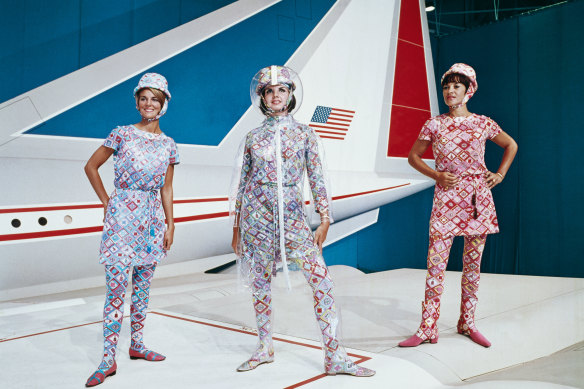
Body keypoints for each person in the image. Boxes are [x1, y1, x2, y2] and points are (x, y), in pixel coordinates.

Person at [230, 65, 375, 376]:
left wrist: (325, 218)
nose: (276, 95)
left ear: (290, 94)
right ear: (262, 97)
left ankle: (334, 356)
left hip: (295, 219)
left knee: (321, 281)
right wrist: (236, 227)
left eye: (281, 89)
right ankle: (264, 346)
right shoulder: (253, 138)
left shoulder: (305, 133)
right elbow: (241, 183)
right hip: (257, 219)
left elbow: (317, 177)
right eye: (269, 91)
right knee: (260, 283)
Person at [399, 63, 517, 348]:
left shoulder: (483, 123)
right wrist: (436, 175)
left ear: (469, 90)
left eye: (456, 86)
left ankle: (468, 322)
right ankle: (428, 327)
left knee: (472, 266)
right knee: (435, 265)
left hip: (478, 200)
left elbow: (510, 144)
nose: (450, 91)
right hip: (446, 199)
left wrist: (499, 174)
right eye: (446, 86)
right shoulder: (434, 124)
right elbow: (413, 157)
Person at [84, 73, 179, 386]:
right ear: (137, 101)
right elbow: (91, 166)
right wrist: (107, 202)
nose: (148, 104)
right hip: (122, 218)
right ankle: (107, 359)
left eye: (155, 98)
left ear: (164, 103)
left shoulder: (169, 144)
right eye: (143, 98)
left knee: (142, 287)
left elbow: (166, 188)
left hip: (152, 221)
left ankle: (137, 345)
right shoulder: (122, 133)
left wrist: (171, 222)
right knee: (115, 289)